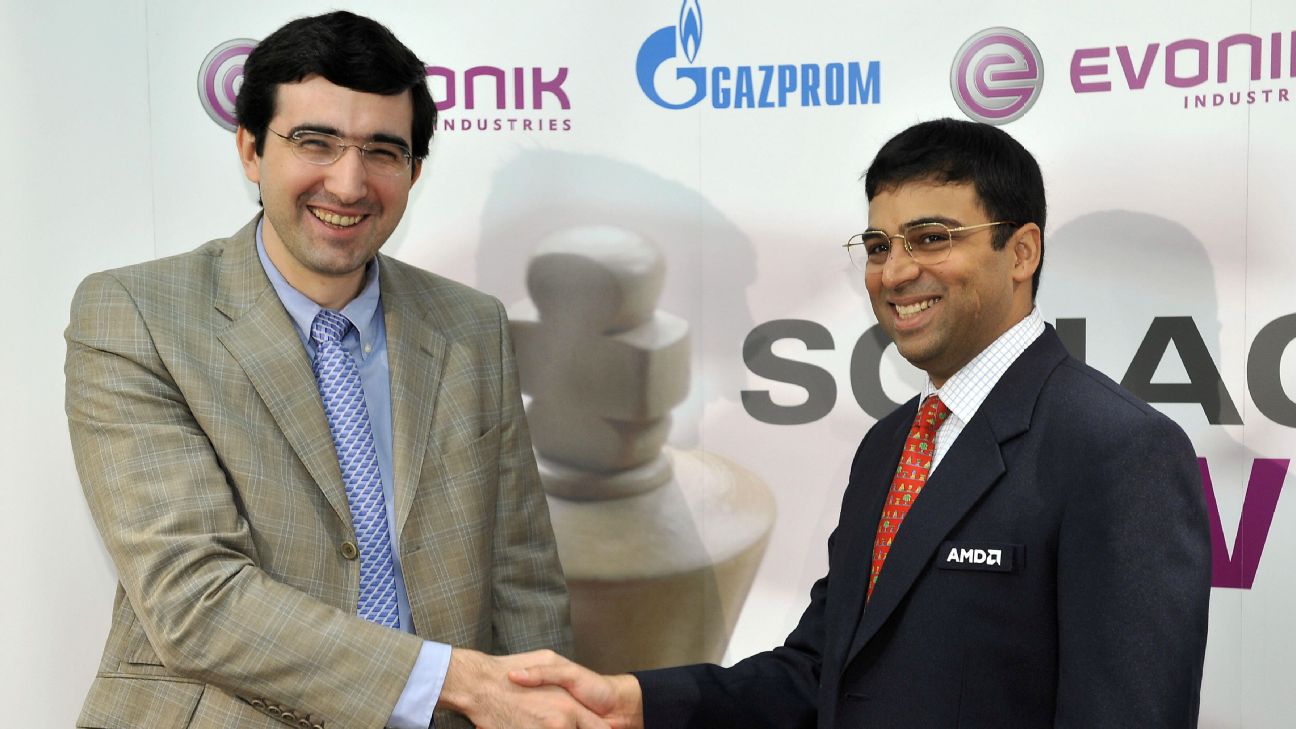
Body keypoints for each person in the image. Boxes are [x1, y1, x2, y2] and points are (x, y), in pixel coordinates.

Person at [508, 118, 1212, 727]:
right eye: (878, 246)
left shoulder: (1119, 450)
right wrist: (634, 701)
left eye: (931, 238)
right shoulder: (889, 446)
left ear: (1021, 251)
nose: (895, 272)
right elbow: (821, 671)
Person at [65, 11, 605, 729]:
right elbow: (194, 599)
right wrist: (453, 678)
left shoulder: (471, 327)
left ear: (414, 170)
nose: (348, 184)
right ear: (251, 150)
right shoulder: (138, 315)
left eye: (383, 151)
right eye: (315, 142)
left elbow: (521, 580)